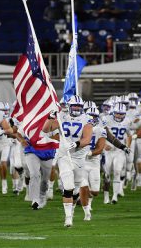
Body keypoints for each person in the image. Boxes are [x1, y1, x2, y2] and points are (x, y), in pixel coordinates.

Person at [43, 95, 93, 227]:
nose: (77, 108)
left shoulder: (87, 119)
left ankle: (73, 207)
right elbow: (46, 129)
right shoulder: (62, 116)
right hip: (64, 156)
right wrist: (50, 117)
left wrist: (76, 144)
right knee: (68, 186)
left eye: (79, 106)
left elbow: (87, 139)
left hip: (79, 158)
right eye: (74, 106)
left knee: (76, 189)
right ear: (69, 107)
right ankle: (68, 218)